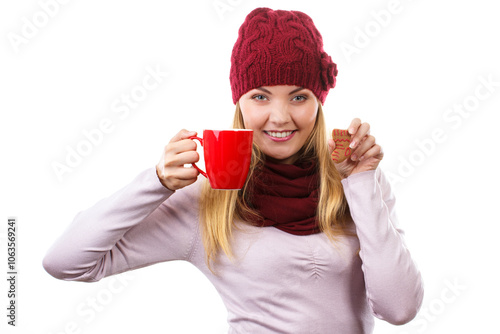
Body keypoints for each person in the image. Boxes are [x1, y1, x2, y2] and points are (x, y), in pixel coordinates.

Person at [43, 7, 424, 333]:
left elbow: (399, 309)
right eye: (260, 96)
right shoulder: (208, 199)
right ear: (239, 103)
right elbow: (65, 262)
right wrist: (156, 182)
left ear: (318, 103)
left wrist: (360, 180)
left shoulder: (356, 182)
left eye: (298, 96)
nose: (280, 116)